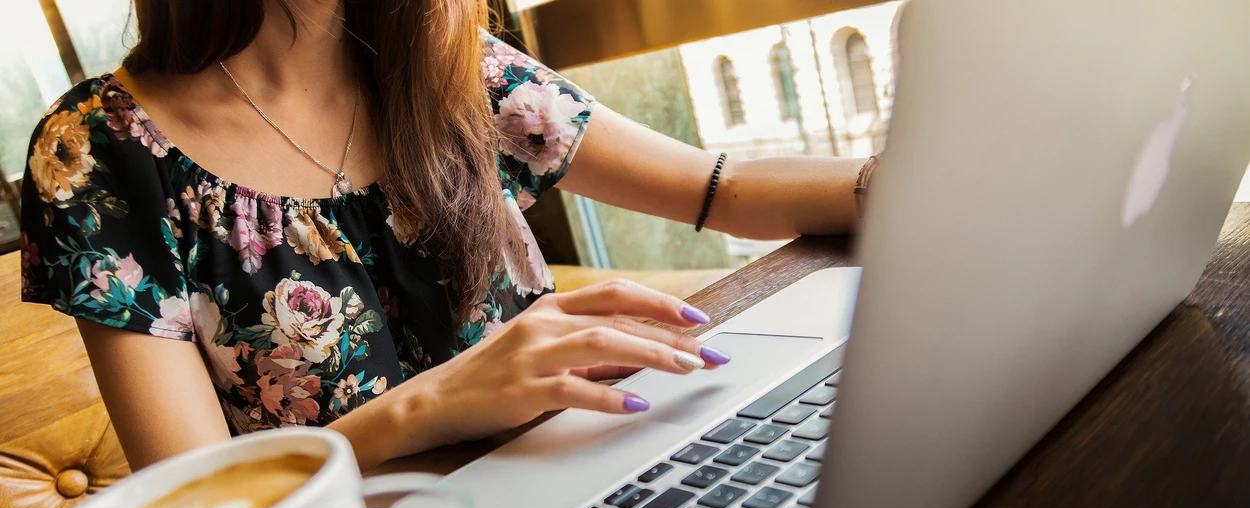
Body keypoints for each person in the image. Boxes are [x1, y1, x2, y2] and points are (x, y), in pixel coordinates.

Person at [19, 0, 870, 472]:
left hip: (579, 479)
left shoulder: (450, 62)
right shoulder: (99, 150)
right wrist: (429, 406)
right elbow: (198, 500)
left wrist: (916, 179)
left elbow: (718, 188)